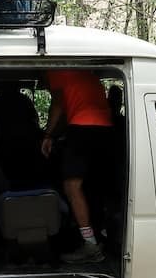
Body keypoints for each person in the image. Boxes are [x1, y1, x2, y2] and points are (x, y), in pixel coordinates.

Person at [41, 69, 113, 263]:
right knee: (92, 185)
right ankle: (100, 234)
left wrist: (48, 136)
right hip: (105, 128)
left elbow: (58, 105)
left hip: (82, 128)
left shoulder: (57, 69)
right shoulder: (87, 72)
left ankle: (90, 245)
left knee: (71, 186)